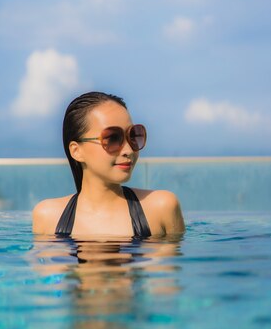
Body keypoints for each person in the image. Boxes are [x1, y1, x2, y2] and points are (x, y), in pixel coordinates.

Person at [32, 91, 185, 238]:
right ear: (76, 151)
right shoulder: (48, 217)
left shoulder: (161, 207)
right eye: (112, 138)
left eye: (133, 135)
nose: (128, 150)